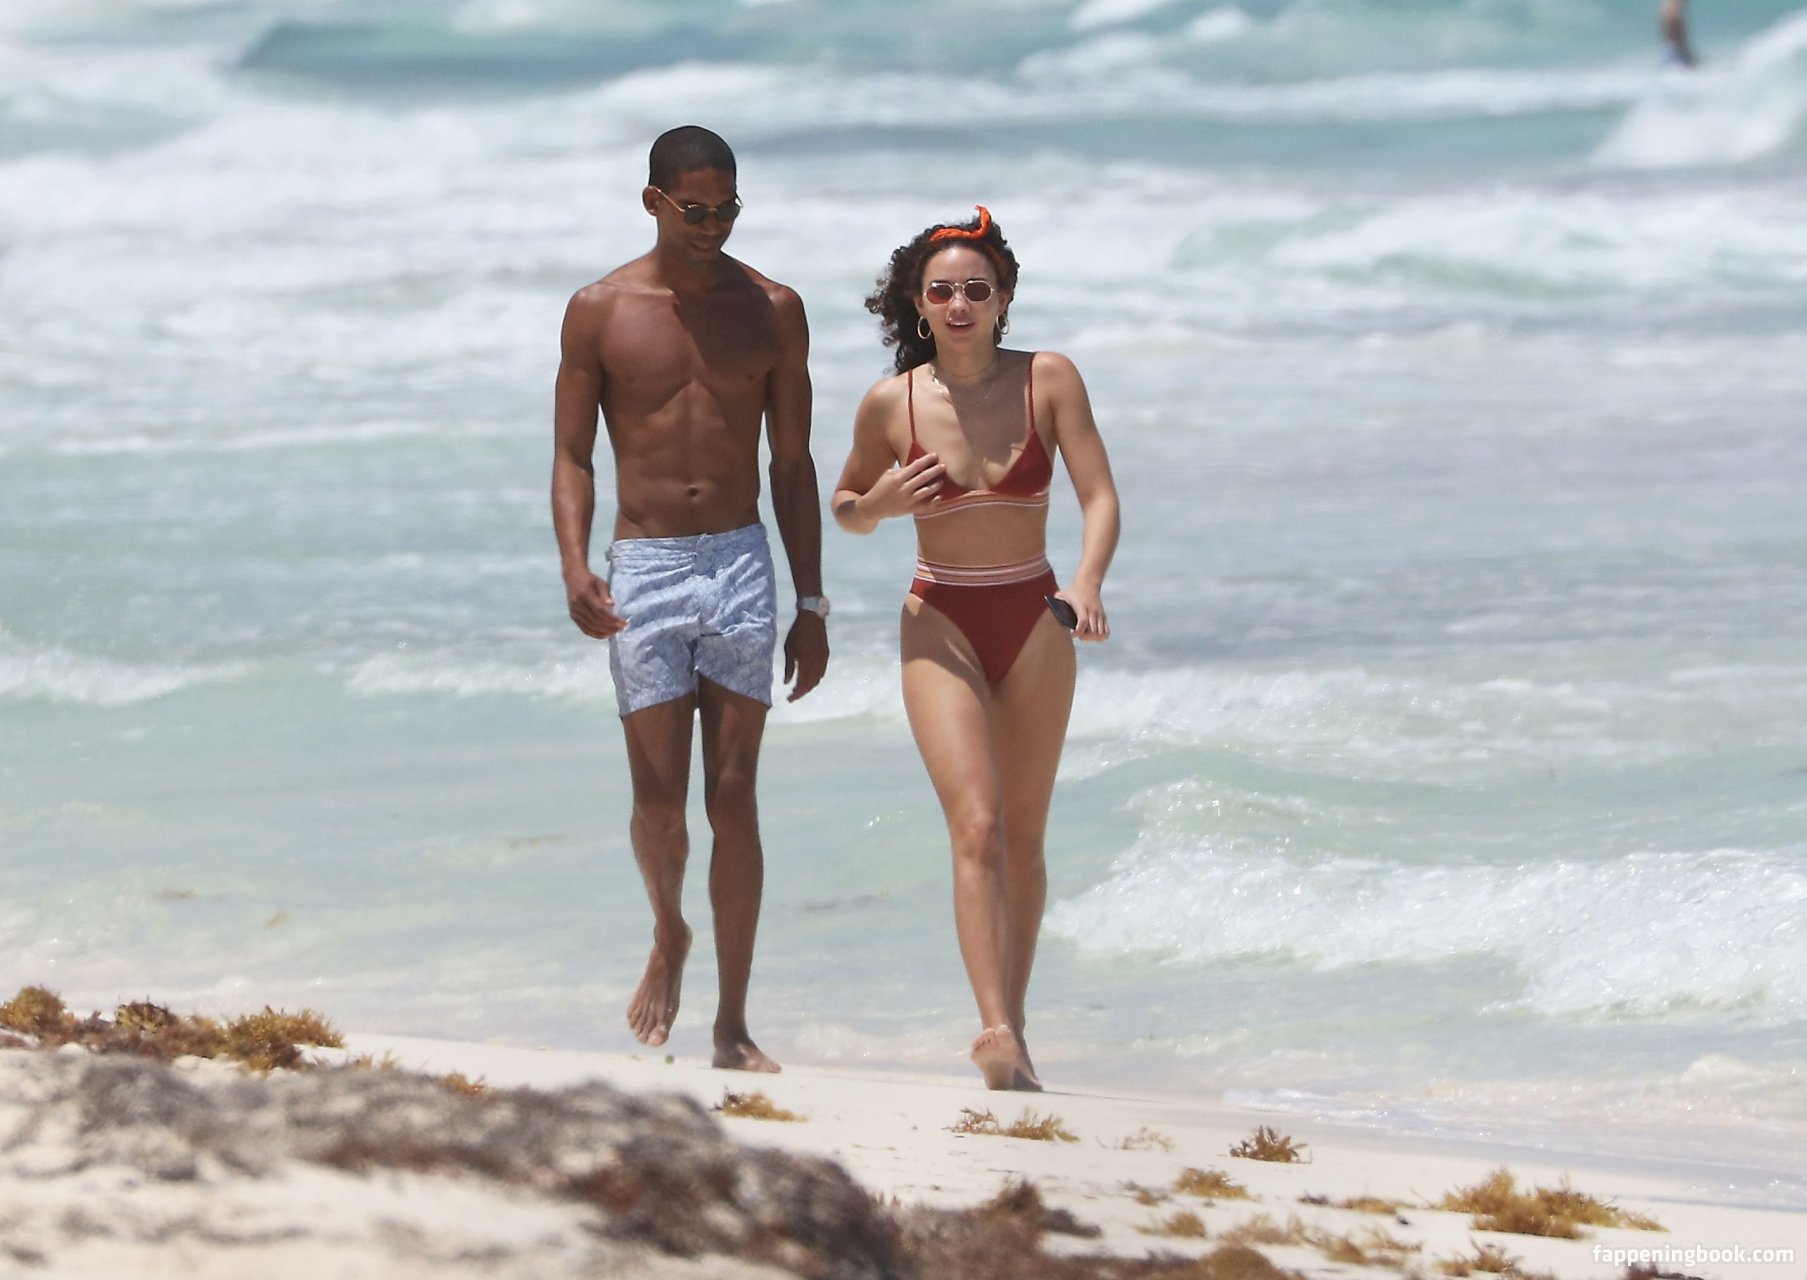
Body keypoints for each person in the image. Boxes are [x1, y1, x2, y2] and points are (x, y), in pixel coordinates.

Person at [551, 125, 829, 1073]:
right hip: (646, 564)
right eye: (696, 210)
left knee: (734, 800)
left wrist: (812, 604)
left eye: (728, 209)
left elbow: (791, 463)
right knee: (660, 806)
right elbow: (572, 455)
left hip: (741, 561)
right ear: (655, 203)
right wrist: (574, 564)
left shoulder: (774, 309)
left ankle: (732, 1025)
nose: (713, 227)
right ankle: (668, 929)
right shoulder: (599, 311)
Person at [831, 207, 1120, 1091]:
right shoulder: (891, 402)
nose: (959, 305)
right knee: (976, 825)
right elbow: (845, 509)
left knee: (1023, 839)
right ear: (919, 305)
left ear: (1002, 298)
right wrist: (880, 503)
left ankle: (1015, 1029)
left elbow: (1100, 496)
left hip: (1034, 617)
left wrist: (1086, 584)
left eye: (975, 290)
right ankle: (990, 1025)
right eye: (941, 292)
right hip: (941, 618)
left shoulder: (1049, 379)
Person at [1660, 0, 1695, 66]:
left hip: (1675, 51)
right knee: (1673, 10)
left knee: (1673, 10)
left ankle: (1677, 51)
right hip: (1676, 53)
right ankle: (1676, 52)